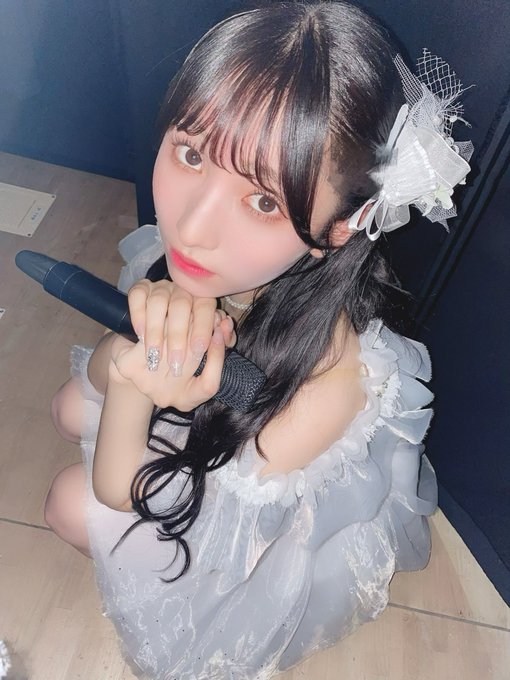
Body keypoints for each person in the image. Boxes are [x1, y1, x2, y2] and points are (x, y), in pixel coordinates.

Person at [43, 2, 473, 678]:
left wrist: (131, 385)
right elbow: (105, 366)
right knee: (70, 405)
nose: (192, 227)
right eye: (191, 154)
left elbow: (143, 500)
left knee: (72, 502)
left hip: (250, 529)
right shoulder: (221, 261)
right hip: (216, 421)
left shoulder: (331, 380)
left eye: (265, 201)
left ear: (338, 227)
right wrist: (134, 355)